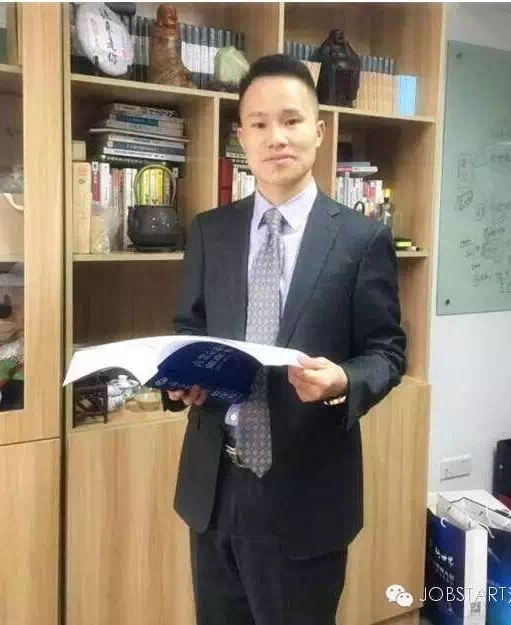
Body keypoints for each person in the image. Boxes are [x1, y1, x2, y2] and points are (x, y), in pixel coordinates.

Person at [163, 53, 406, 625]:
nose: (276, 137)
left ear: (318, 131)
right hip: (214, 485)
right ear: (241, 137)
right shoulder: (211, 231)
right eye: (260, 123)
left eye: (291, 120)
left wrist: (344, 380)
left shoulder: (361, 239)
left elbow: (387, 351)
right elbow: (189, 329)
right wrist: (183, 379)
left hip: (306, 493)